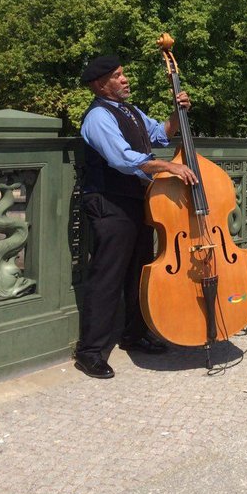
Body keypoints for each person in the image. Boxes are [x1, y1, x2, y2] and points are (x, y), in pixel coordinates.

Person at [75, 54, 197, 379]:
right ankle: (89, 351)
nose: (125, 78)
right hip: (108, 202)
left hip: (137, 202)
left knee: (139, 272)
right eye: (118, 75)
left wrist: (177, 112)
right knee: (107, 277)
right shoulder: (98, 117)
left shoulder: (128, 110)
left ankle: (134, 334)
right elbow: (121, 159)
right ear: (101, 84)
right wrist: (166, 166)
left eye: (123, 73)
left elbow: (160, 133)